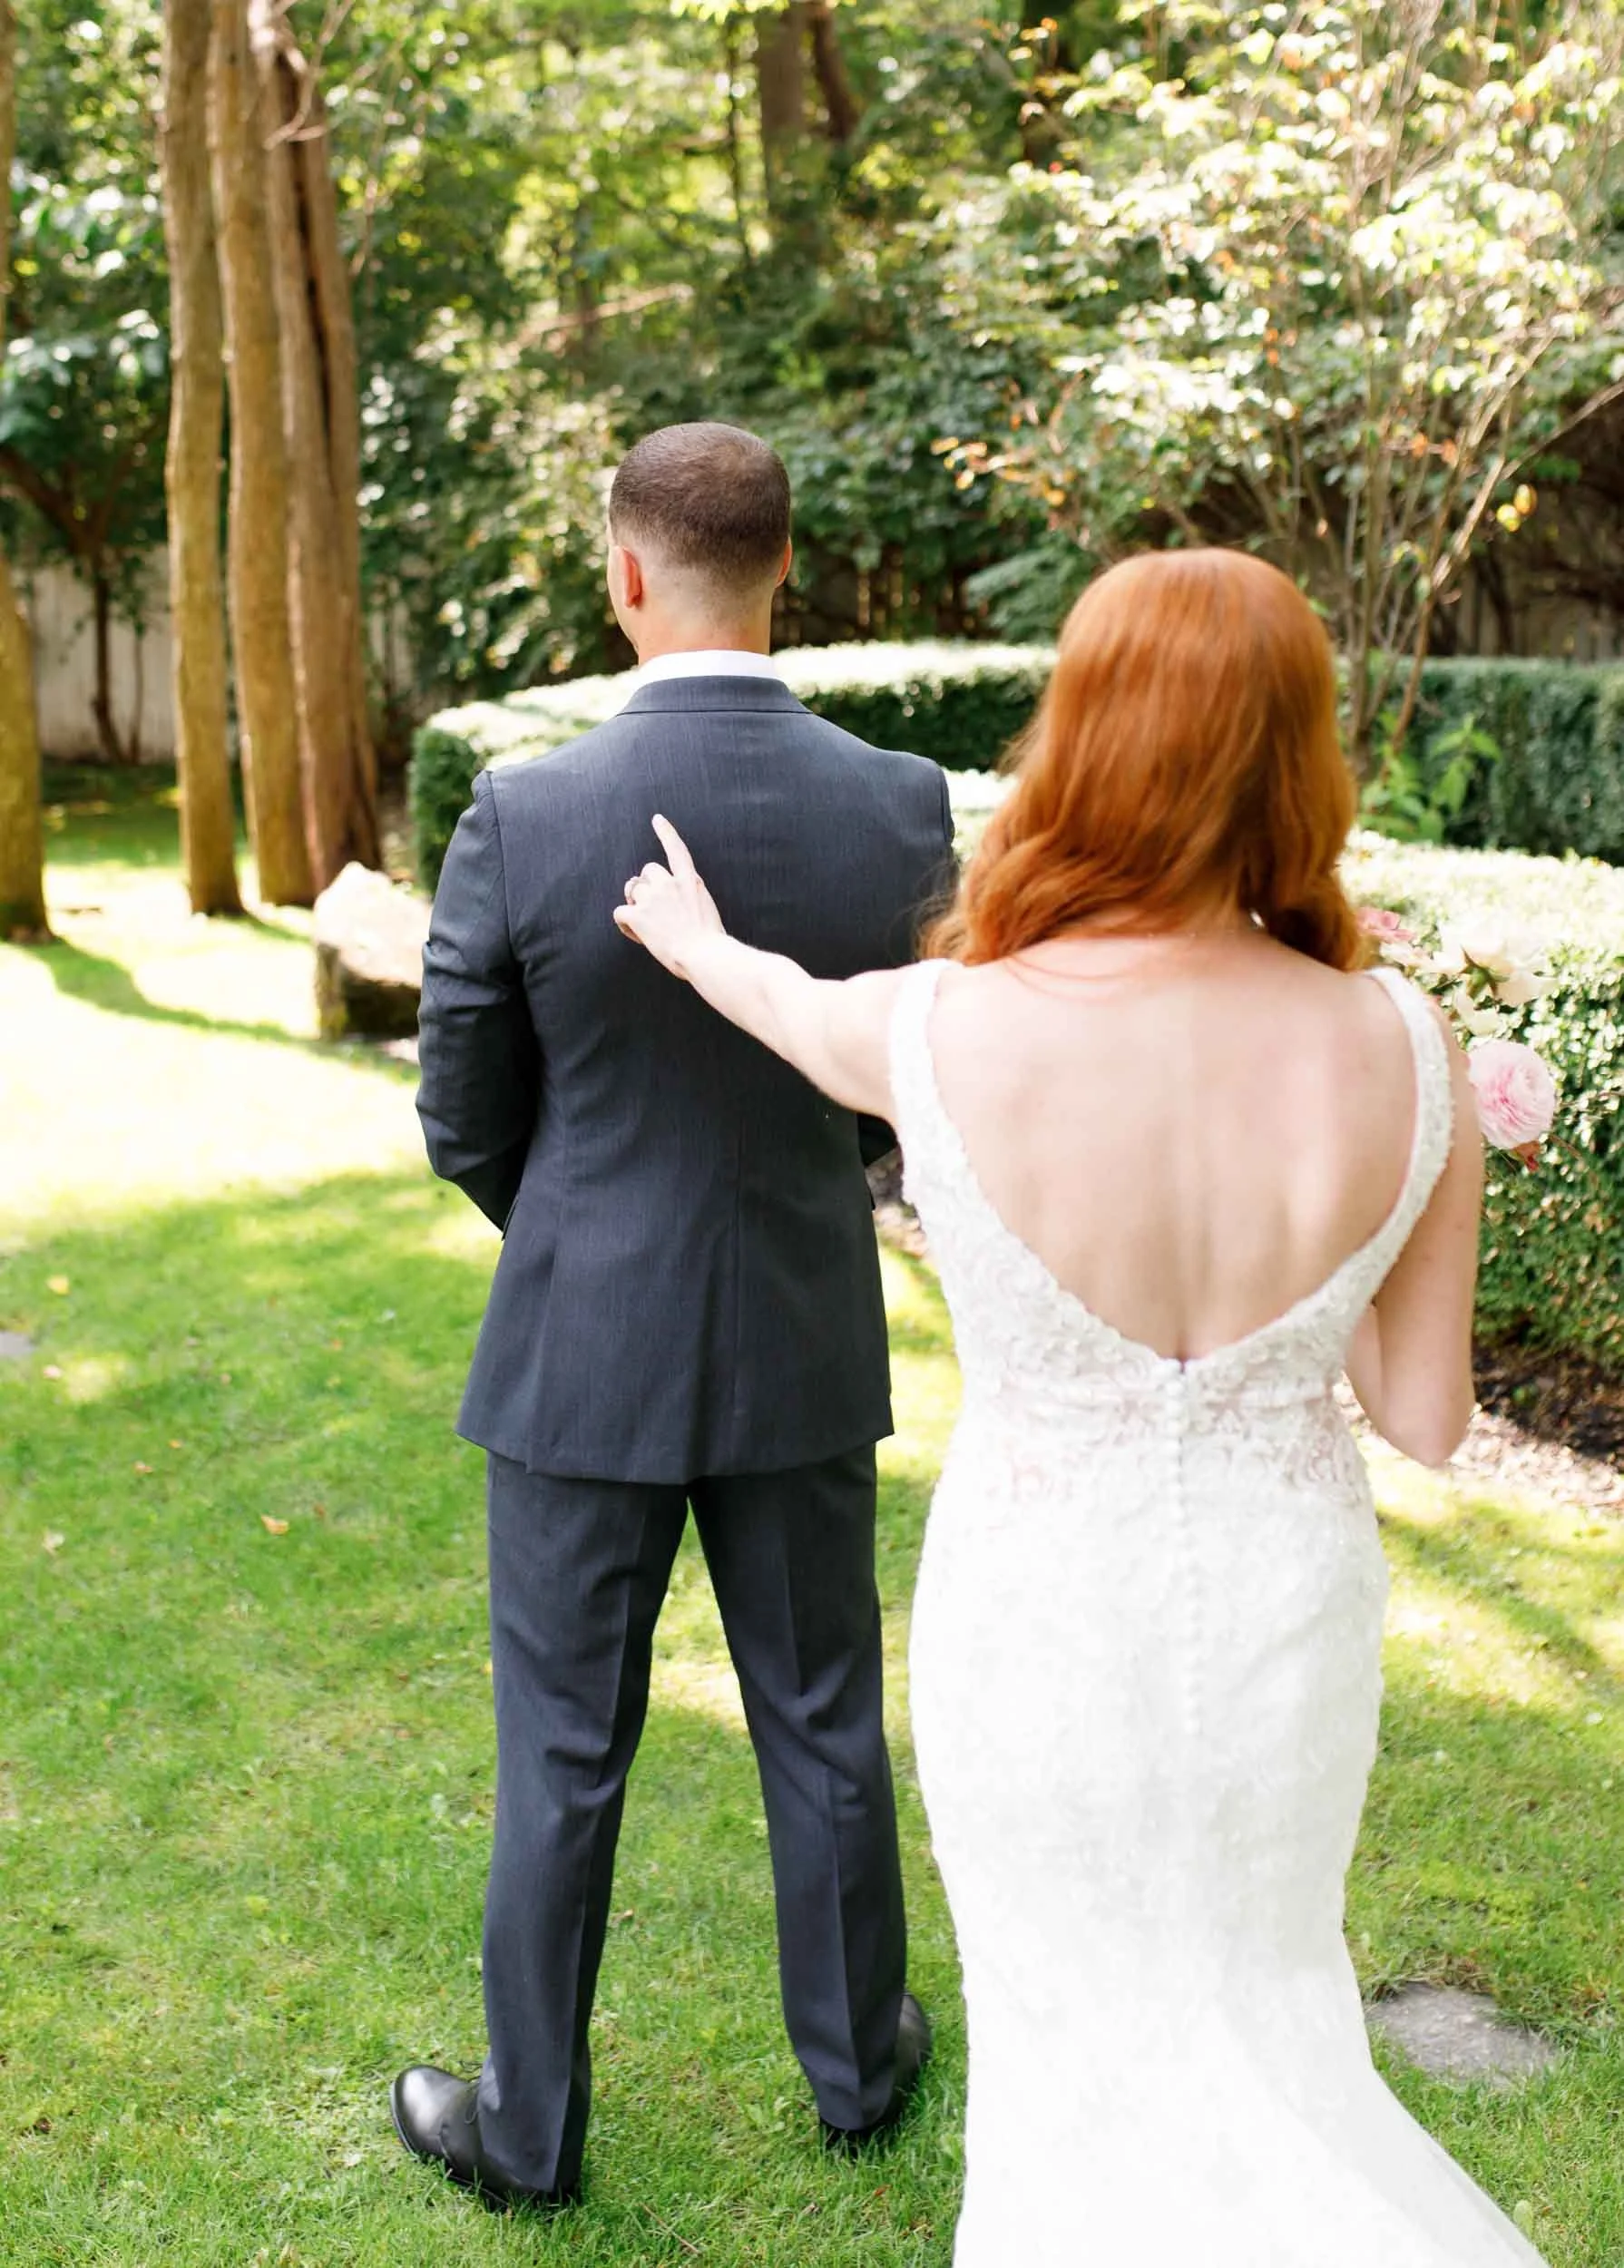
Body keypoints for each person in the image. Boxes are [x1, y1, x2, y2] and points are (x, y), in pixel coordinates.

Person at [614, 549, 1551, 2265]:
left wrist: (690, 940)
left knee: (1068, 2044)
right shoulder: (1404, 1041)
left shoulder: (950, 1024)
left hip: (1034, 1614)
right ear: (1300, 755)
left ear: (1086, 738)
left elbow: (795, 1013)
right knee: (1270, 2007)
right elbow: (1419, 1418)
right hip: (1284, 1606)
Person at [393, 423, 951, 2209]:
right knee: (822, 1713)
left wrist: (569, 1233)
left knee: (561, 1742)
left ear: (625, 573)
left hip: (582, 1344)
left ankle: (529, 2132)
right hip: (796, 1323)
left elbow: (462, 1111)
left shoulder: (523, 808)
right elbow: (899, 1092)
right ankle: (862, 2069)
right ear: (783, 571)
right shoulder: (895, 803)